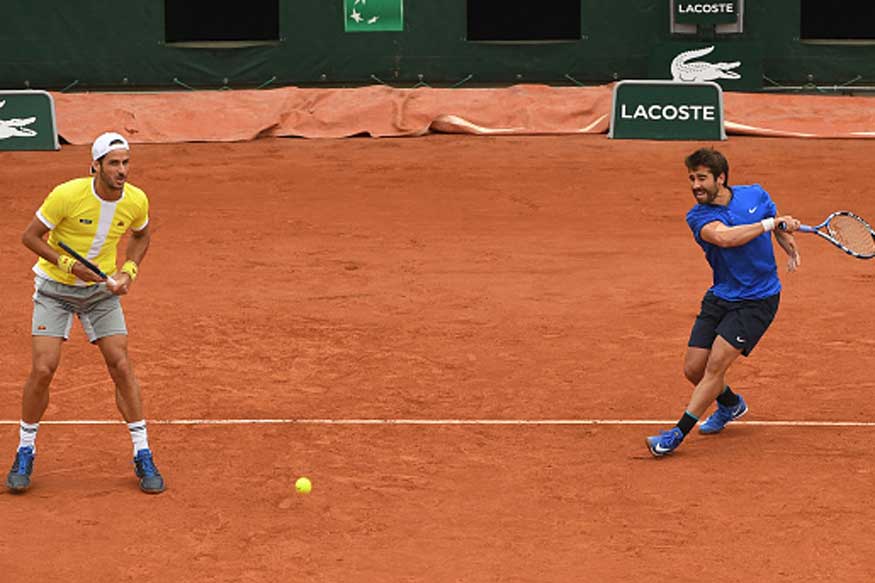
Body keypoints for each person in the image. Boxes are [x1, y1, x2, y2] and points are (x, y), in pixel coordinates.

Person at [5, 132, 165, 493]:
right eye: (113, 163)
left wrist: (129, 271)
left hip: (99, 294)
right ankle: (25, 450)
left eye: (125, 163)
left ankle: (143, 452)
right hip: (54, 290)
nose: (121, 170)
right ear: (95, 165)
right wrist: (66, 264)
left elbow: (142, 235)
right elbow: (30, 237)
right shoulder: (67, 195)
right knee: (44, 368)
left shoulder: (136, 200)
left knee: (120, 363)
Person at [646, 147, 801, 457]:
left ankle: (676, 434)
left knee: (715, 367)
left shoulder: (755, 195)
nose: (695, 185)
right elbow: (727, 238)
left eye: (701, 178)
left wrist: (789, 244)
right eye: (691, 178)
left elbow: (775, 222)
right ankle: (731, 404)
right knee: (693, 370)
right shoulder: (698, 216)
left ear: (721, 178)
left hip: (757, 301)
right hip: (721, 295)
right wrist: (771, 225)